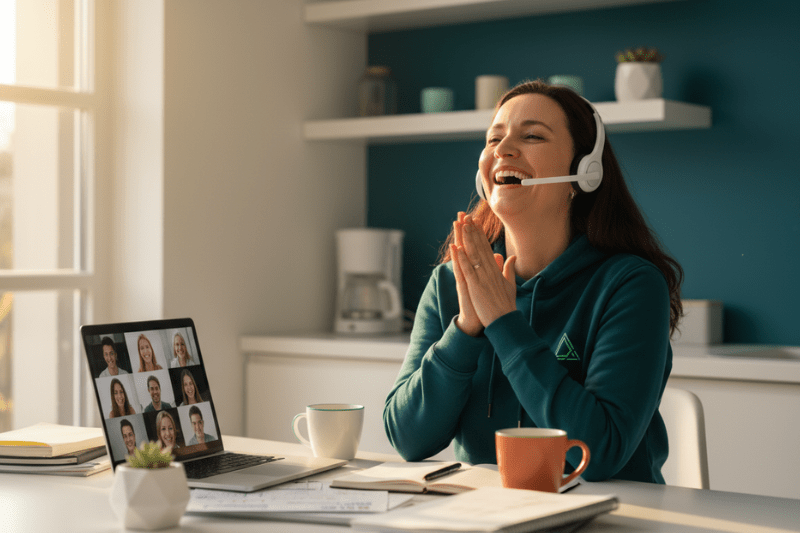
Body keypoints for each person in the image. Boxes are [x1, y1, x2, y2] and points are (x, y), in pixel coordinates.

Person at [383, 80, 683, 484]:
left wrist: (505, 324)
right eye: (493, 138)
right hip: (484, 518)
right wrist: (466, 330)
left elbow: (599, 452)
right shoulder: (452, 281)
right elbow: (406, 439)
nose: (502, 149)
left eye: (532, 135)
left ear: (584, 171)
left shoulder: (630, 285)